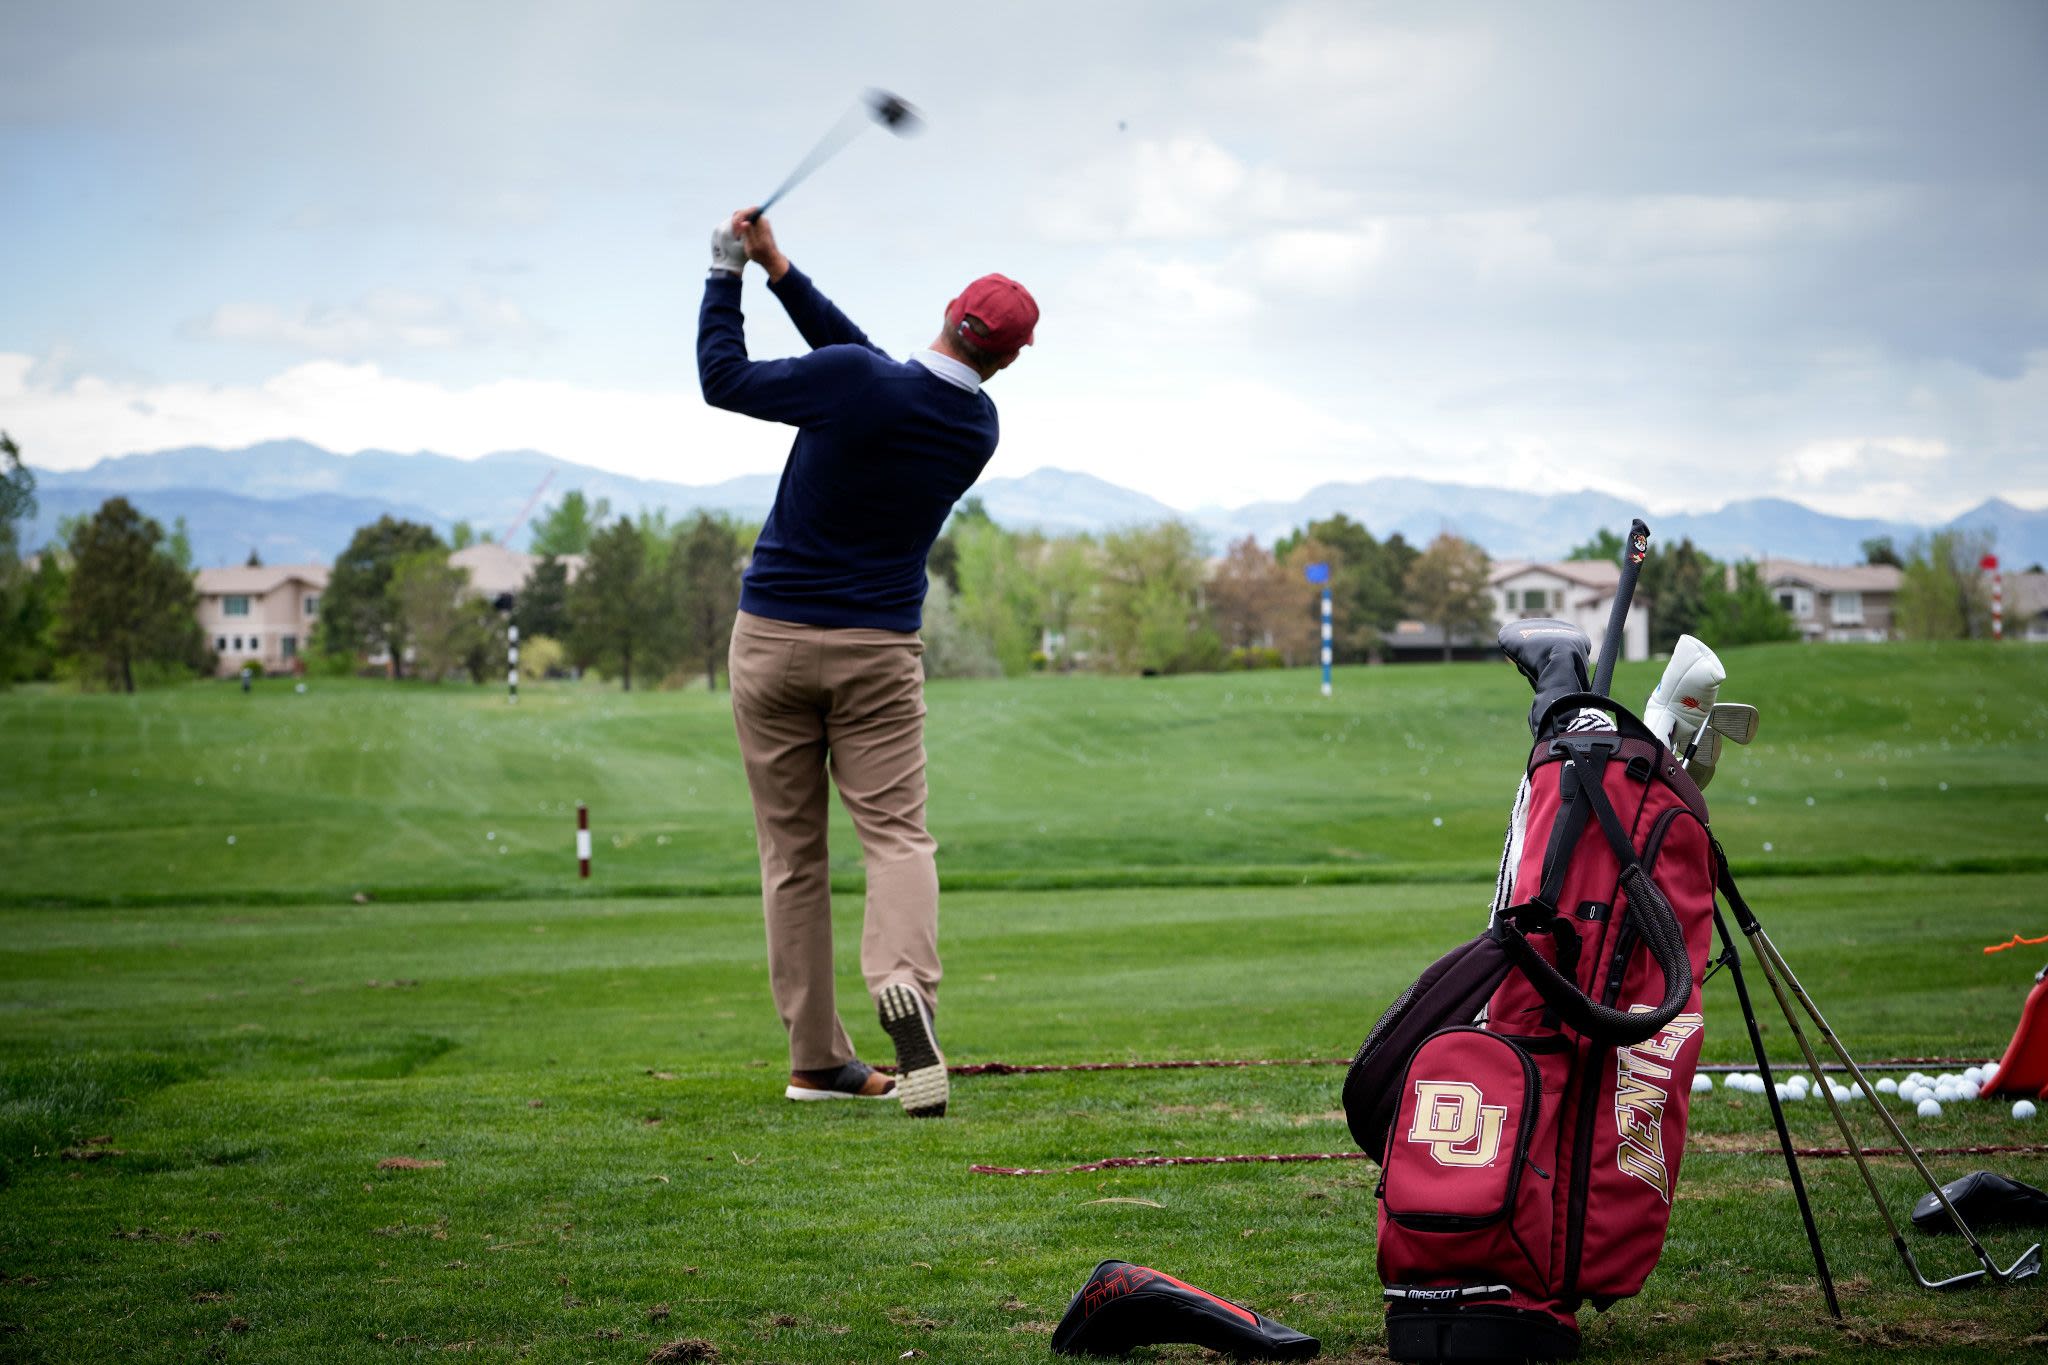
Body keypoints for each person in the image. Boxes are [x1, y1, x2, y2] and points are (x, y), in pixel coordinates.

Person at [698, 207, 1038, 1118]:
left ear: (947, 306)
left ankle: (816, 1059)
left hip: (769, 642)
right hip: (879, 653)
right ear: (1007, 357)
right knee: (895, 836)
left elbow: (723, 379)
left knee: (792, 855)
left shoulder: (856, 384)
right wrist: (783, 272)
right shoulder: (976, 429)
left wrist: (726, 270)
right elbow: (874, 374)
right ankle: (907, 990)